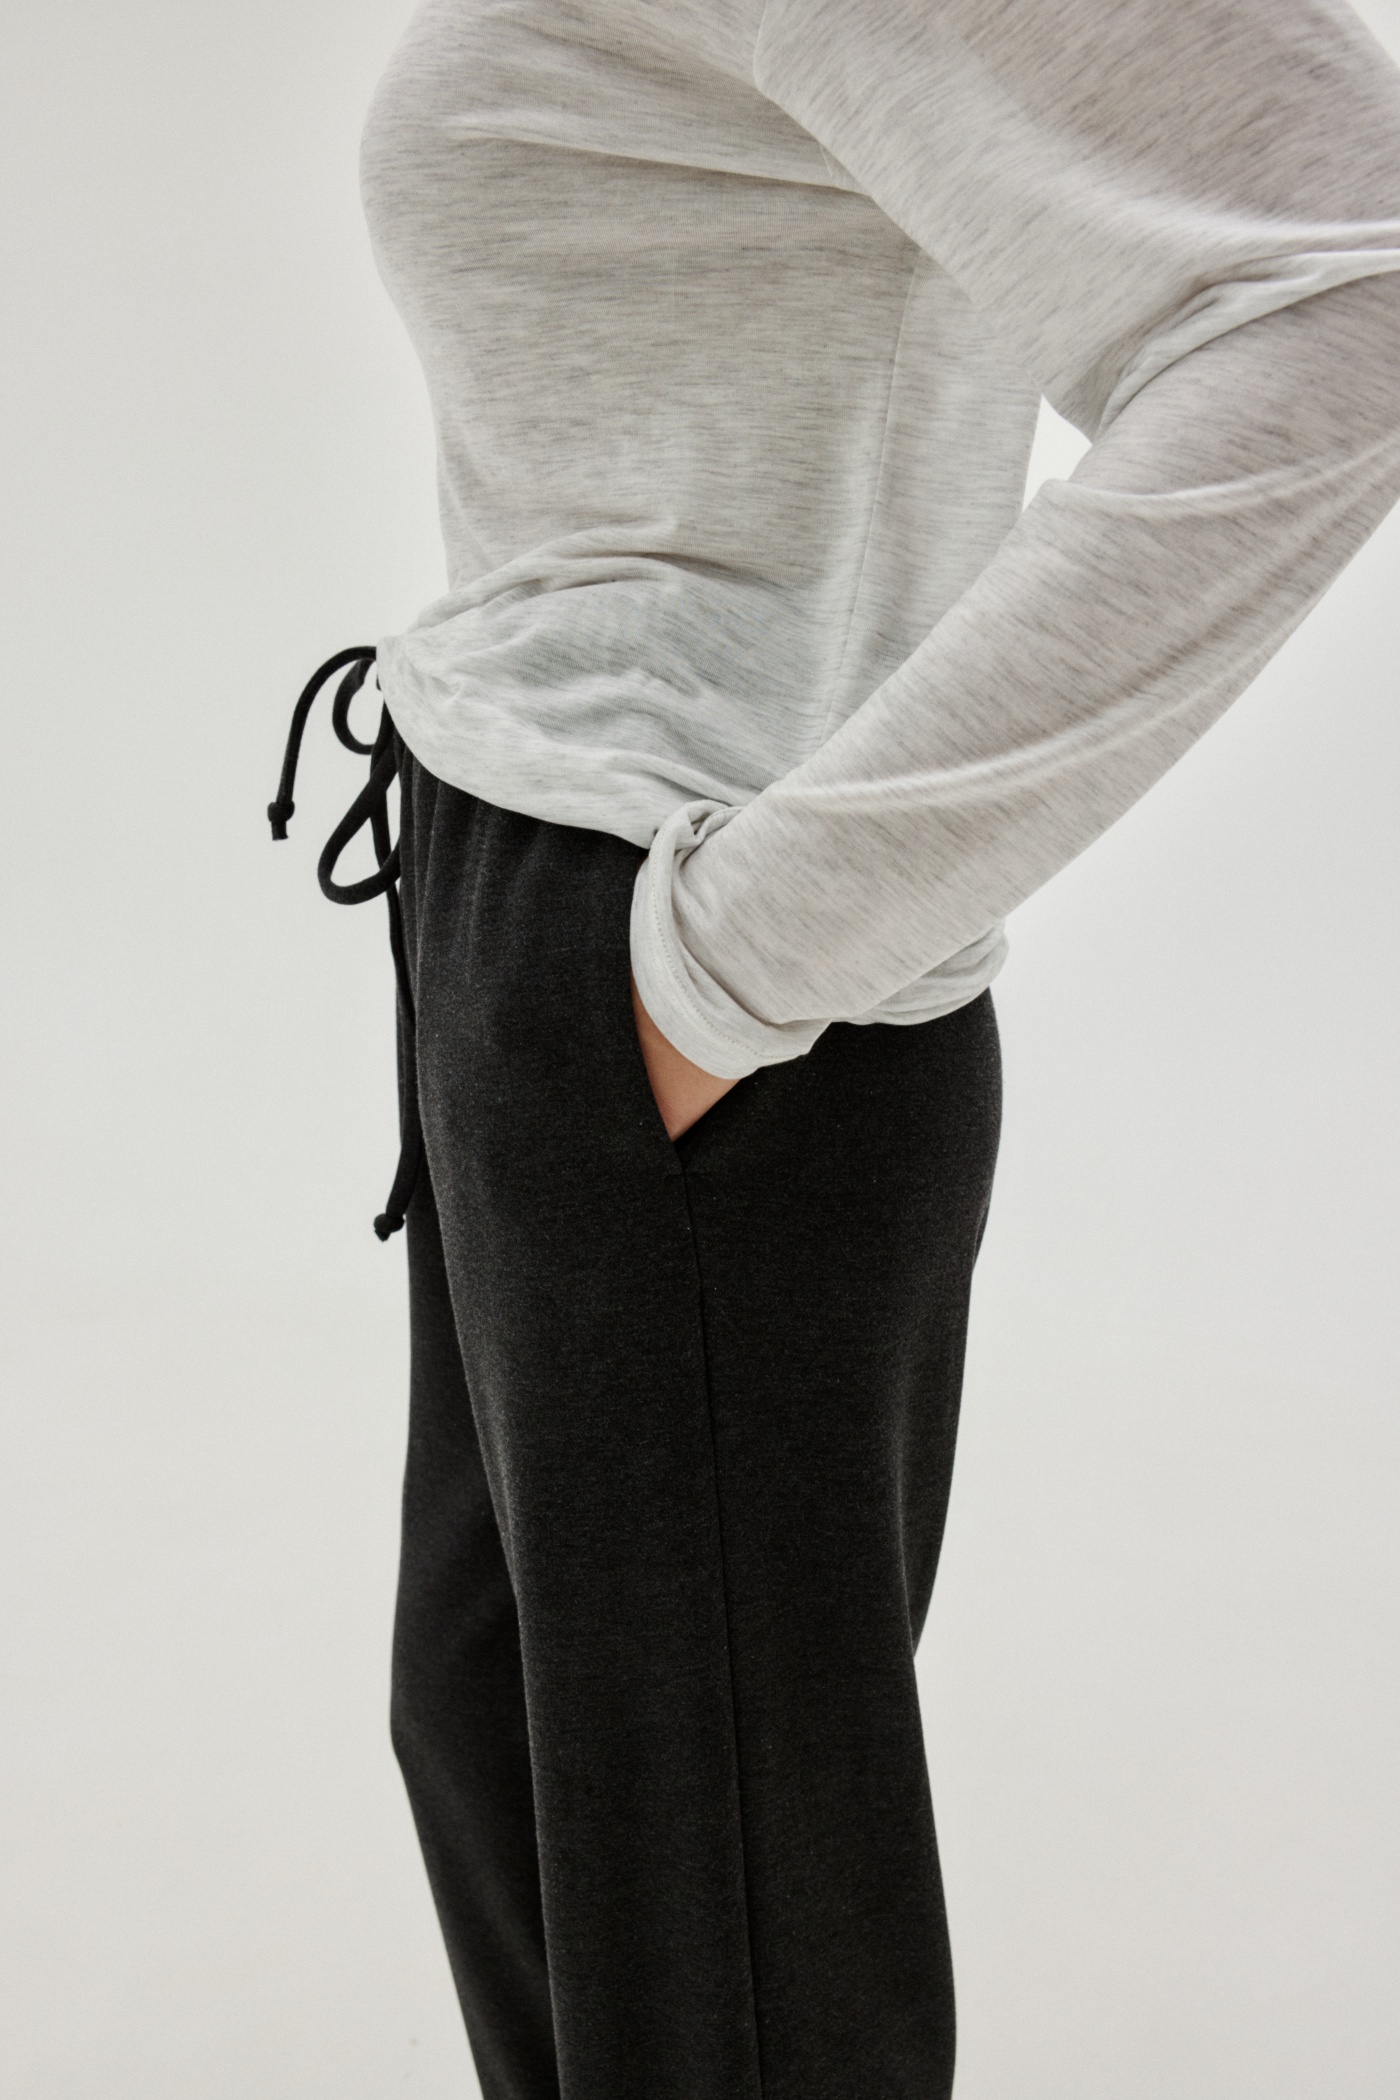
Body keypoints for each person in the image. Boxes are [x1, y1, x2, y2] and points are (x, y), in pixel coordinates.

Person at [269, 1, 1400, 2093]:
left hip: (708, 986)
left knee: (724, 1959)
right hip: (525, 891)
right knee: (513, 1761)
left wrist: (750, 947)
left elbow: (1346, 282)